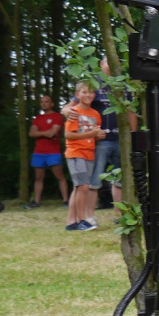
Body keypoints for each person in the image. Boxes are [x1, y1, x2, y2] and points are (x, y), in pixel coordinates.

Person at [61, 56, 136, 225]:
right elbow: (71, 105)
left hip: (121, 139)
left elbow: (130, 111)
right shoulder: (93, 83)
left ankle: (119, 215)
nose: (112, 65)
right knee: (93, 181)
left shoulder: (123, 84)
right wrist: (65, 110)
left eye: (116, 62)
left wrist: (133, 134)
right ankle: (89, 216)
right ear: (101, 64)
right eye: (108, 62)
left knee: (120, 179)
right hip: (99, 141)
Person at [64, 81, 105, 231]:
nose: (88, 95)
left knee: (78, 188)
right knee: (83, 187)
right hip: (76, 153)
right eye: (84, 92)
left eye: (91, 92)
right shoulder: (74, 112)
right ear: (77, 95)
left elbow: (93, 135)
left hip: (89, 154)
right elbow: (68, 135)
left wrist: (98, 136)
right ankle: (81, 220)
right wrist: (91, 134)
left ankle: (71, 222)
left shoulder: (95, 115)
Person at [25, 94, 69, 208]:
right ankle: (36, 202)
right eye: (42, 102)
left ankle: (66, 201)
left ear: (51, 104)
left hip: (53, 152)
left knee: (59, 176)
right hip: (38, 152)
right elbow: (31, 133)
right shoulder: (38, 118)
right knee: (38, 177)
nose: (44, 104)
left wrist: (39, 133)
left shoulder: (57, 116)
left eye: (46, 102)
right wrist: (45, 133)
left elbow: (52, 133)